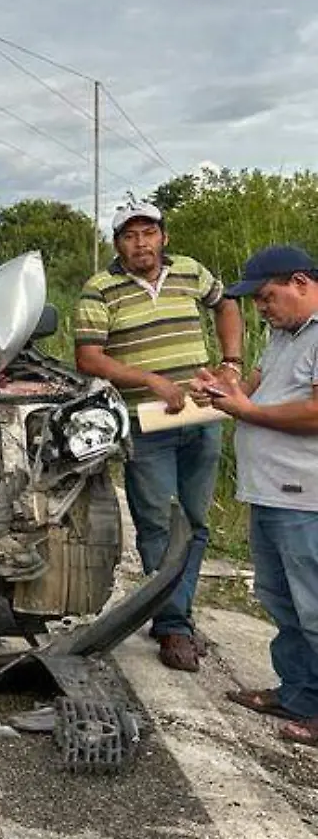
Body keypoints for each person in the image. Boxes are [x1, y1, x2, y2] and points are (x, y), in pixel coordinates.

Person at [73, 200, 243, 672]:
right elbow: (88, 358)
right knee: (158, 524)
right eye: (130, 236)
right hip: (147, 423)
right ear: (117, 244)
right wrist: (149, 379)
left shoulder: (191, 272)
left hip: (201, 414)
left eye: (148, 232)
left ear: (164, 237)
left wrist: (231, 363)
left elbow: (226, 304)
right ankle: (173, 626)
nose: (141, 242)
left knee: (196, 520)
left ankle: (175, 613)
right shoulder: (100, 289)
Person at [191, 245, 318, 747]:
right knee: (282, 602)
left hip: (306, 496)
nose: (261, 309)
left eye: (268, 297)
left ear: (301, 283)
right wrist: (224, 391)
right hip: (269, 492)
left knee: (314, 607)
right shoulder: (285, 333)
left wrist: (247, 412)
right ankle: (300, 694)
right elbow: (255, 387)